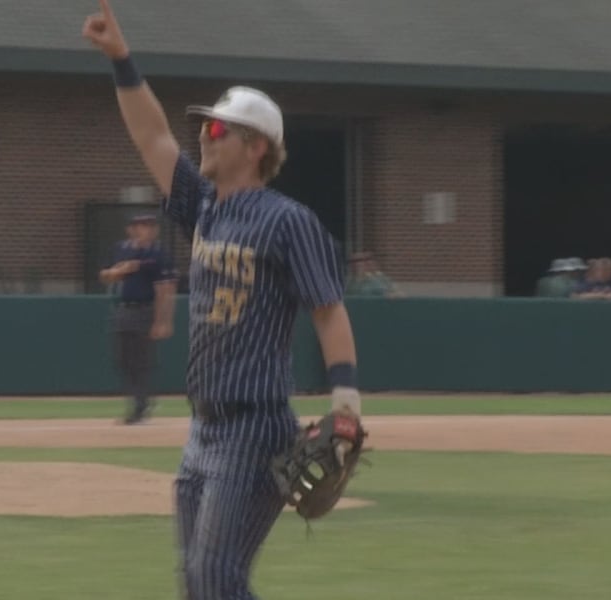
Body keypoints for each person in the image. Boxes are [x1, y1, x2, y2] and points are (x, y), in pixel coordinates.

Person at [83, 2, 362, 598]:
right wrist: (120, 59)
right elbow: (150, 133)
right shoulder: (203, 206)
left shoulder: (290, 222)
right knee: (198, 584)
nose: (202, 136)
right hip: (202, 429)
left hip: (254, 428)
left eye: (215, 128)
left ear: (256, 146)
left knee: (216, 577)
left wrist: (346, 404)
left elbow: (328, 309)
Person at [99, 213, 177, 424]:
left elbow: (166, 288)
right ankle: (141, 401)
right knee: (123, 360)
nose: (147, 230)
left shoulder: (158, 253)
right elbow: (105, 276)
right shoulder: (121, 249)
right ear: (131, 229)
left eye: (150, 226)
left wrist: (163, 320)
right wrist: (120, 271)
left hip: (145, 309)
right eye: (141, 226)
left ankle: (139, 407)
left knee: (141, 361)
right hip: (123, 308)